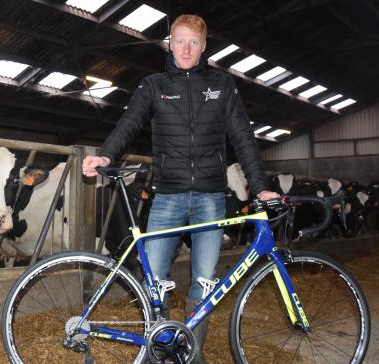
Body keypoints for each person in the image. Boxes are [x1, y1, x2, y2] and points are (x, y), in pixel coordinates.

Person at [82, 14, 279, 363]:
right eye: (180, 40)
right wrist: (105, 156)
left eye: (193, 42)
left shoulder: (222, 85)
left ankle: (193, 354)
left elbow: (243, 137)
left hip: (210, 199)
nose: (186, 48)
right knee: (154, 281)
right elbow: (128, 124)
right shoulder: (154, 85)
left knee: (204, 283)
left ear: (204, 47)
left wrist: (260, 187)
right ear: (169, 43)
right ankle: (157, 351)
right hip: (167, 197)